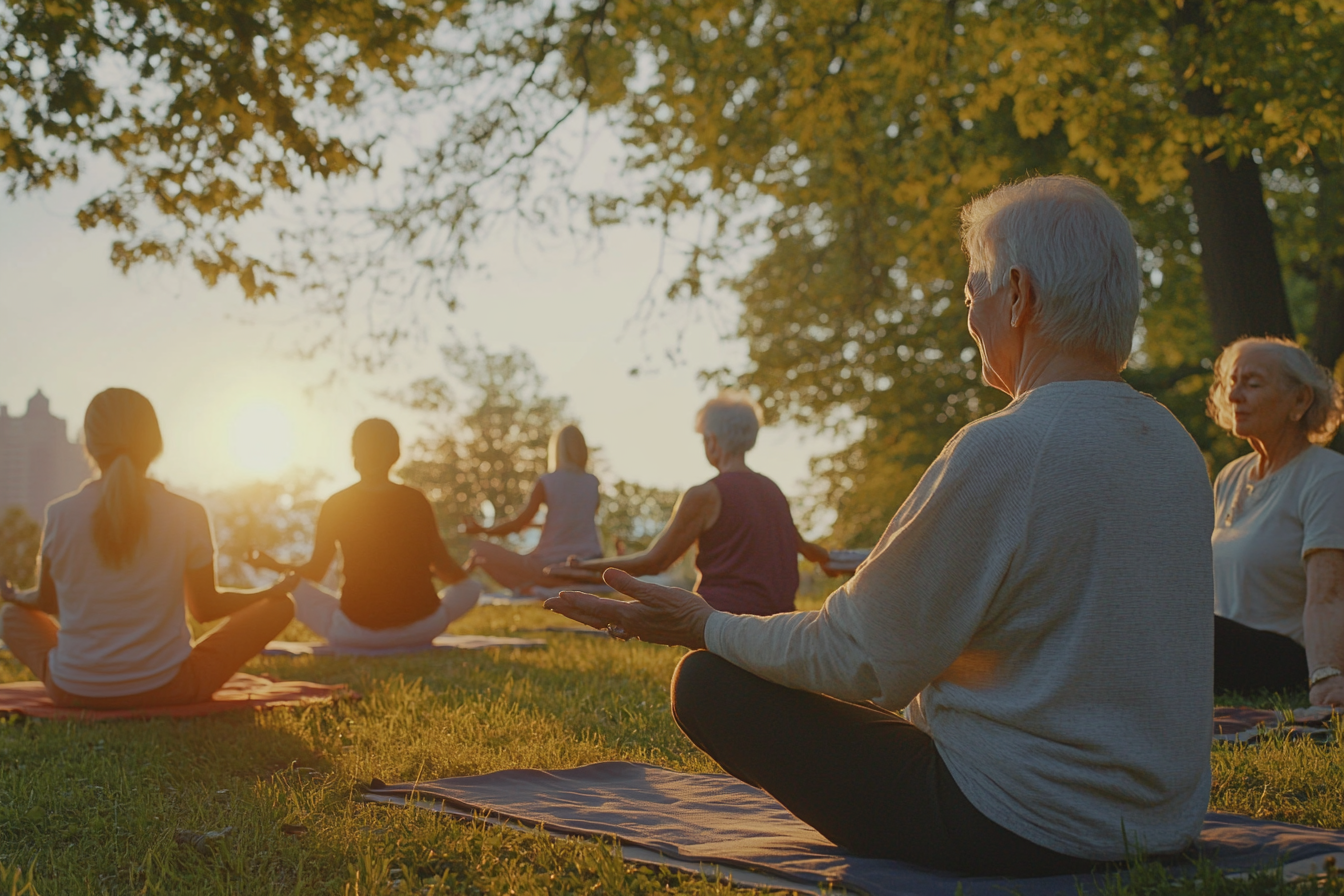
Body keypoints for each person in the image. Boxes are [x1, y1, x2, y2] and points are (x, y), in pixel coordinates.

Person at [546, 175, 1214, 877]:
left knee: (709, 683)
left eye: (972, 295)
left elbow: (857, 657)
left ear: (1018, 296)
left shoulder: (1007, 447)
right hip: (1159, 822)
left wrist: (703, 624)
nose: (970, 317)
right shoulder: (1174, 447)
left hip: (1019, 823)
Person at [0, 388, 295, 709]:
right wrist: (269, 591)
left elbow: (47, 601)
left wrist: (15, 596)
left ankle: (78, 671)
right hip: (173, 687)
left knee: (11, 616)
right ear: (155, 442)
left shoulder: (60, 514)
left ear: (90, 444)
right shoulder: (188, 512)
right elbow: (205, 608)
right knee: (280, 606)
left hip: (73, 691)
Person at [559, 394, 831, 616]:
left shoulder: (706, 495)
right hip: (779, 625)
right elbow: (803, 546)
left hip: (722, 623)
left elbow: (655, 561)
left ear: (712, 441)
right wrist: (833, 559)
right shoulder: (773, 490)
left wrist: (585, 567)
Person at [249, 419, 481, 649]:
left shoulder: (336, 504)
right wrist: (459, 574)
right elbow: (444, 567)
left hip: (355, 633)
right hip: (423, 627)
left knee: (289, 585)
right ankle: (407, 636)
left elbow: (315, 572)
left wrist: (272, 564)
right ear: (395, 455)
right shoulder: (416, 499)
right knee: (471, 588)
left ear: (355, 454)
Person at [1205, 336, 1344, 705]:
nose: (1234, 395)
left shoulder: (1329, 476)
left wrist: (1327, 675)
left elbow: (1329, 593)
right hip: (1223, 643)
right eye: (1231, 382)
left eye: (1252, 384)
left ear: (1300, 400)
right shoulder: (1230, 476)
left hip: (1285, 655)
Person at [462, 425, 604, 592]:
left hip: (549, 565)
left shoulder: (547, 481)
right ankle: (555, 584)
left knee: (479, 549)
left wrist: (483, 530)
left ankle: (537, 586)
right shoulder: (592, 482)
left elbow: (518, 524)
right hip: (590, 562)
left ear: (557, 449)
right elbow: (572, 521)